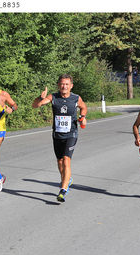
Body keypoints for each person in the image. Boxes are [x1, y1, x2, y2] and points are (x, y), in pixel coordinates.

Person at [32, 74, 87, 202]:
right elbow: (35, 105)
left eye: (67, 84)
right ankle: (67, 179)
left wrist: (82, 116)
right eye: (62, 84)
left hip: (71, 134)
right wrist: (40, 97)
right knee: (60, 162)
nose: (64, 86)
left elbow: (83, 107)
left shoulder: (76, 98)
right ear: (58, 85)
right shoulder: (53, 97)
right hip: (57, 134)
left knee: (66, 160)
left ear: (71, 86)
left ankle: (63, 189)